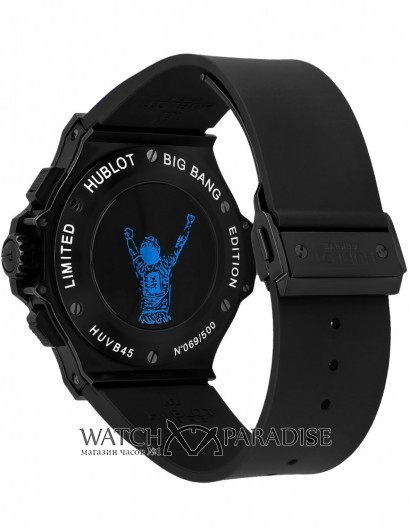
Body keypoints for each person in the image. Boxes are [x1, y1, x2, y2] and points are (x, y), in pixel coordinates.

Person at [124, 213, 196, 324]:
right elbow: (179, 245)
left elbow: (133, 252)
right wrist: (188, 226)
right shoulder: (163, 264)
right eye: (145, 249)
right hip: (154, 314)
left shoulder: (145, 267)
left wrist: (129, 238)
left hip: (151, 314)